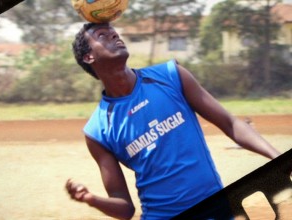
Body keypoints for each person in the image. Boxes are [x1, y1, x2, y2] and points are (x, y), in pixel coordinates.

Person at [65, 22, 281, 220]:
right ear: (88, 57)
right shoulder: (97, 130)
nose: (114, 35)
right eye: (103, 35)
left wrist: (277, 157)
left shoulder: (170, 75)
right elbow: (125, 209)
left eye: (114, 32)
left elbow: (231, 124)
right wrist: (90, 199)